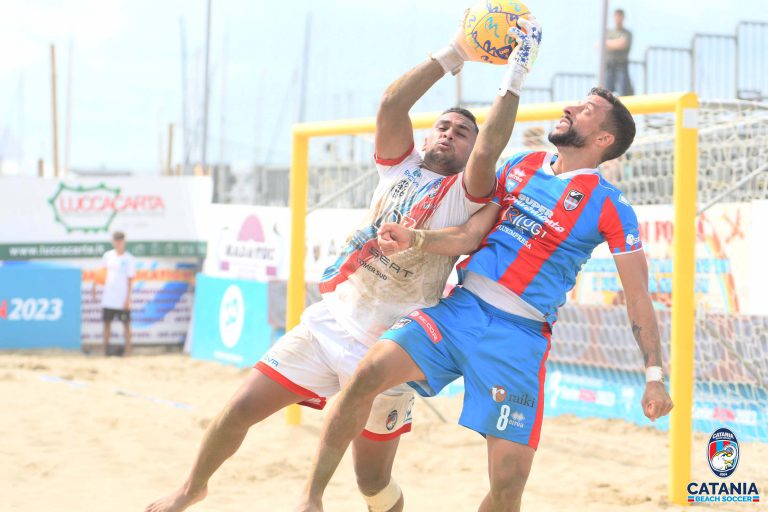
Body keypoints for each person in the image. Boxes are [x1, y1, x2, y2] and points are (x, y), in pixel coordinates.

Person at [145, 15, 542, 512]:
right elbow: (392, 104)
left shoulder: (468, 192)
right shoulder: (399, 166)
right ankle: (192, 489)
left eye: (462, 133)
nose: (449, 134)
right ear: (425, 138)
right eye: (443, 126)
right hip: (331, 323)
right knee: (240, 407)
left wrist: (514, 74)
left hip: (391, 345)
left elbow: (490, 148)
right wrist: (455, 52)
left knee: (371, 482)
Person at [297, 87, 673, 512]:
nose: (569, 108)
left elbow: (637, 295)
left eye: (586, 110)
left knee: (508, 487)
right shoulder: (519, 165)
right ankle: (311, 499)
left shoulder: (611, 205)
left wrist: (654, 375)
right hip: (462, 309)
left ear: (603, 139)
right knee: (366, 374)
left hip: (519, 336)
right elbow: (470, 234)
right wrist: (416, 238)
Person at [92, 231, 136, 357]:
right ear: (113, 241)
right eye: (116, 240)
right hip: (108, 297)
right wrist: (94, 287)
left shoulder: (129, 259)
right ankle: (104, 350)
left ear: (124, 241)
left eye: (120, 240)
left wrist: (128, 299)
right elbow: (101, 274)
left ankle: (128, 351)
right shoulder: (108, 256)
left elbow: (130, 280)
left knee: (126, 324)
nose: (118, 243)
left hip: (122, 299)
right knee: (107, 323)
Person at [605, 8, 634, 96]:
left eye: (620, 16)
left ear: (623, 18)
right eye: (616, 16)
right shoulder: (608, 32)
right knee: (606, 94)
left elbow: (623, 44)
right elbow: (600, 45)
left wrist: (609, 43)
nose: (618, 18)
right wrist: (617, 42)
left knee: (623, 92)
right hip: (609, 66)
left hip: (621, 65)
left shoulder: (627, 33)